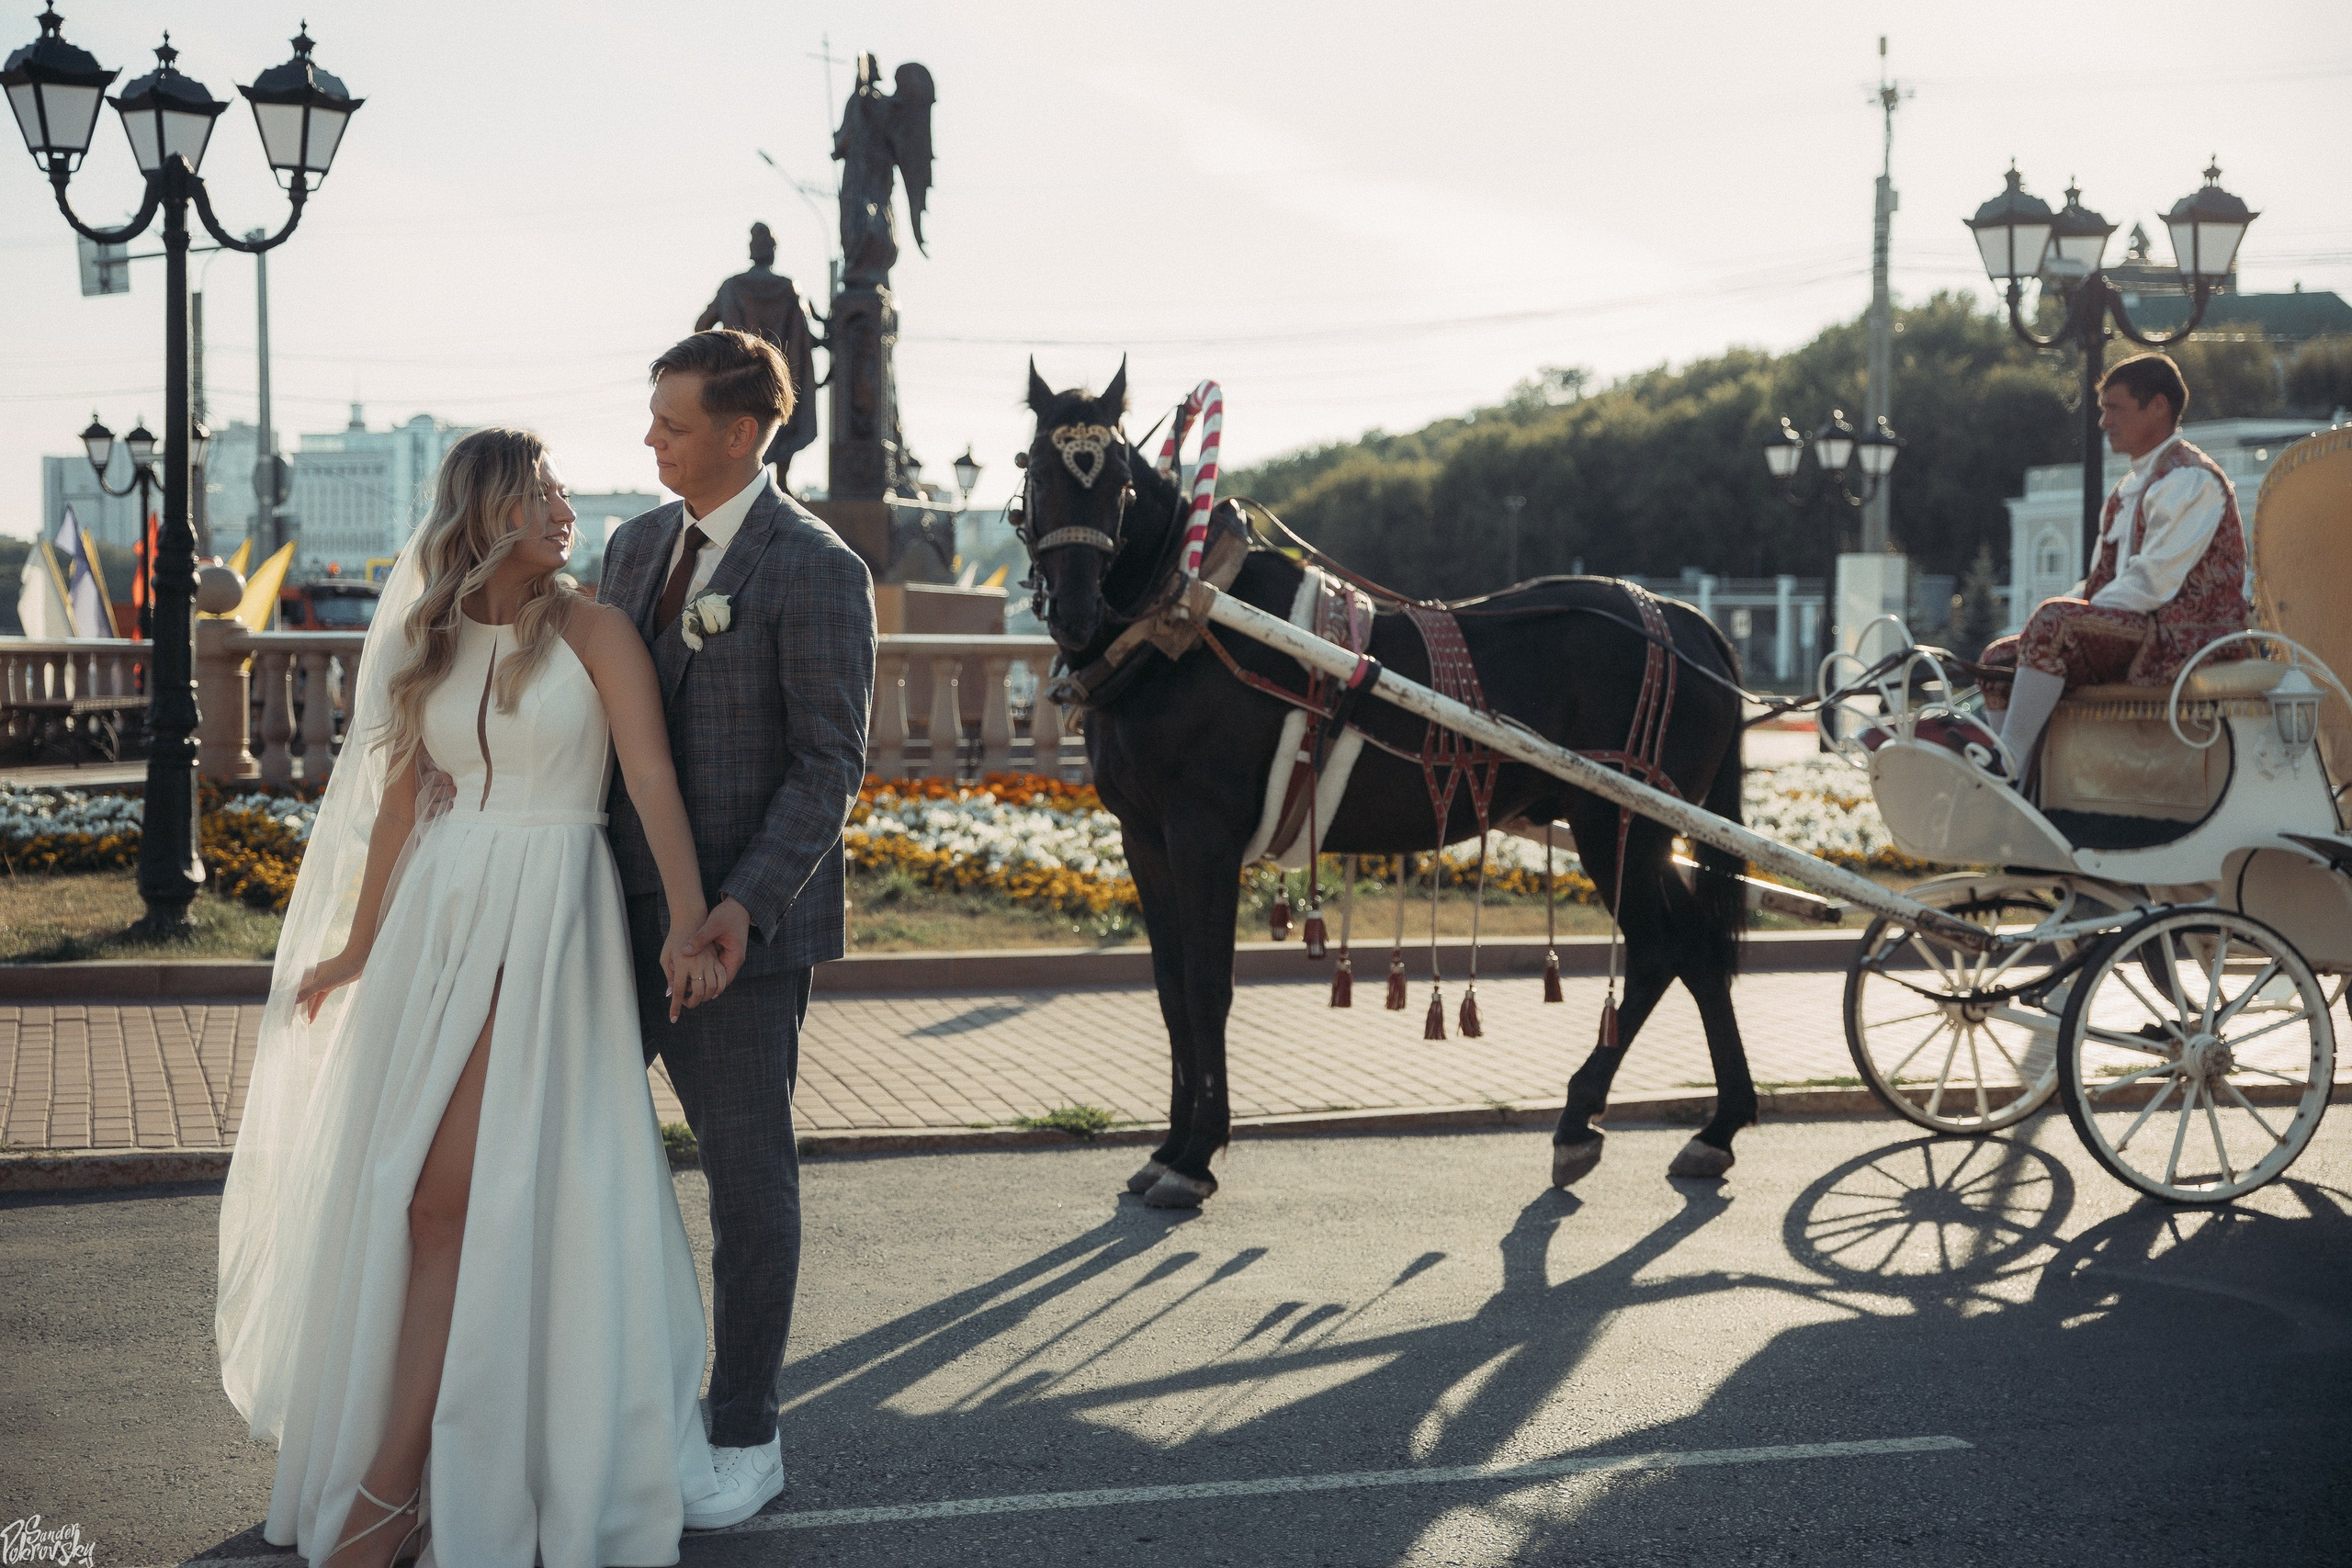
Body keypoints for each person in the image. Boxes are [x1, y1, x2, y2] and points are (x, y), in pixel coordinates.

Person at [216, 427, 729, 1562]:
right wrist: (354, 951)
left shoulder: (596, 631)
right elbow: (401, 805)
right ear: (490, 510)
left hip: (549, 916)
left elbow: (648, 777)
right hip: (437, 923)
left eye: (558, 491)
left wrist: (691, 924)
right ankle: (415, 1474)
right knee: (411, 1197)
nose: (564, 509)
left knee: (453, 1200)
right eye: (542, 492)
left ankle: (398, 1492)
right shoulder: (430, 639)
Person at [599, 329, 876, 1524]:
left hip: (743, 939)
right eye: (651, 416)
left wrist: (739, 906)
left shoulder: (816, 567)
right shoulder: (630, 544)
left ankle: (746, 1427)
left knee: (747, 1183)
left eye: (670, 421)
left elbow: (830, 765)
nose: (649, 438)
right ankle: (604, 1407)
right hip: (606, 917)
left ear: (742, 432)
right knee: (575, 1164)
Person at [1979, 354, 2248, 775]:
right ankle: (2024, 786)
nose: (2103, 422)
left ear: (2158, 406)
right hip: (2141, 629)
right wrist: (2070, 608)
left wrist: (2070, 615)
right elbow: (2102, 583)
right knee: (1998, 659)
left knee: (2054, 623)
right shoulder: (2130, 487)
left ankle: (2006, 765)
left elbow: (2151, 583)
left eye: (2114, 408)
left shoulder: (2191, 479)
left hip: (2185, 639)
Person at [694, 223, 820, 486]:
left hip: (738, 380)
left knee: (739, 431)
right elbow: (808, 337)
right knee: (783, 423)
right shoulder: (789, 289)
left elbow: (701, 326)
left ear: (752, 250)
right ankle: (783, 483)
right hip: (781, 382)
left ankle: (744, 484)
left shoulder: (731, 287)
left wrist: (721, 356)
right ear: (772, 252)